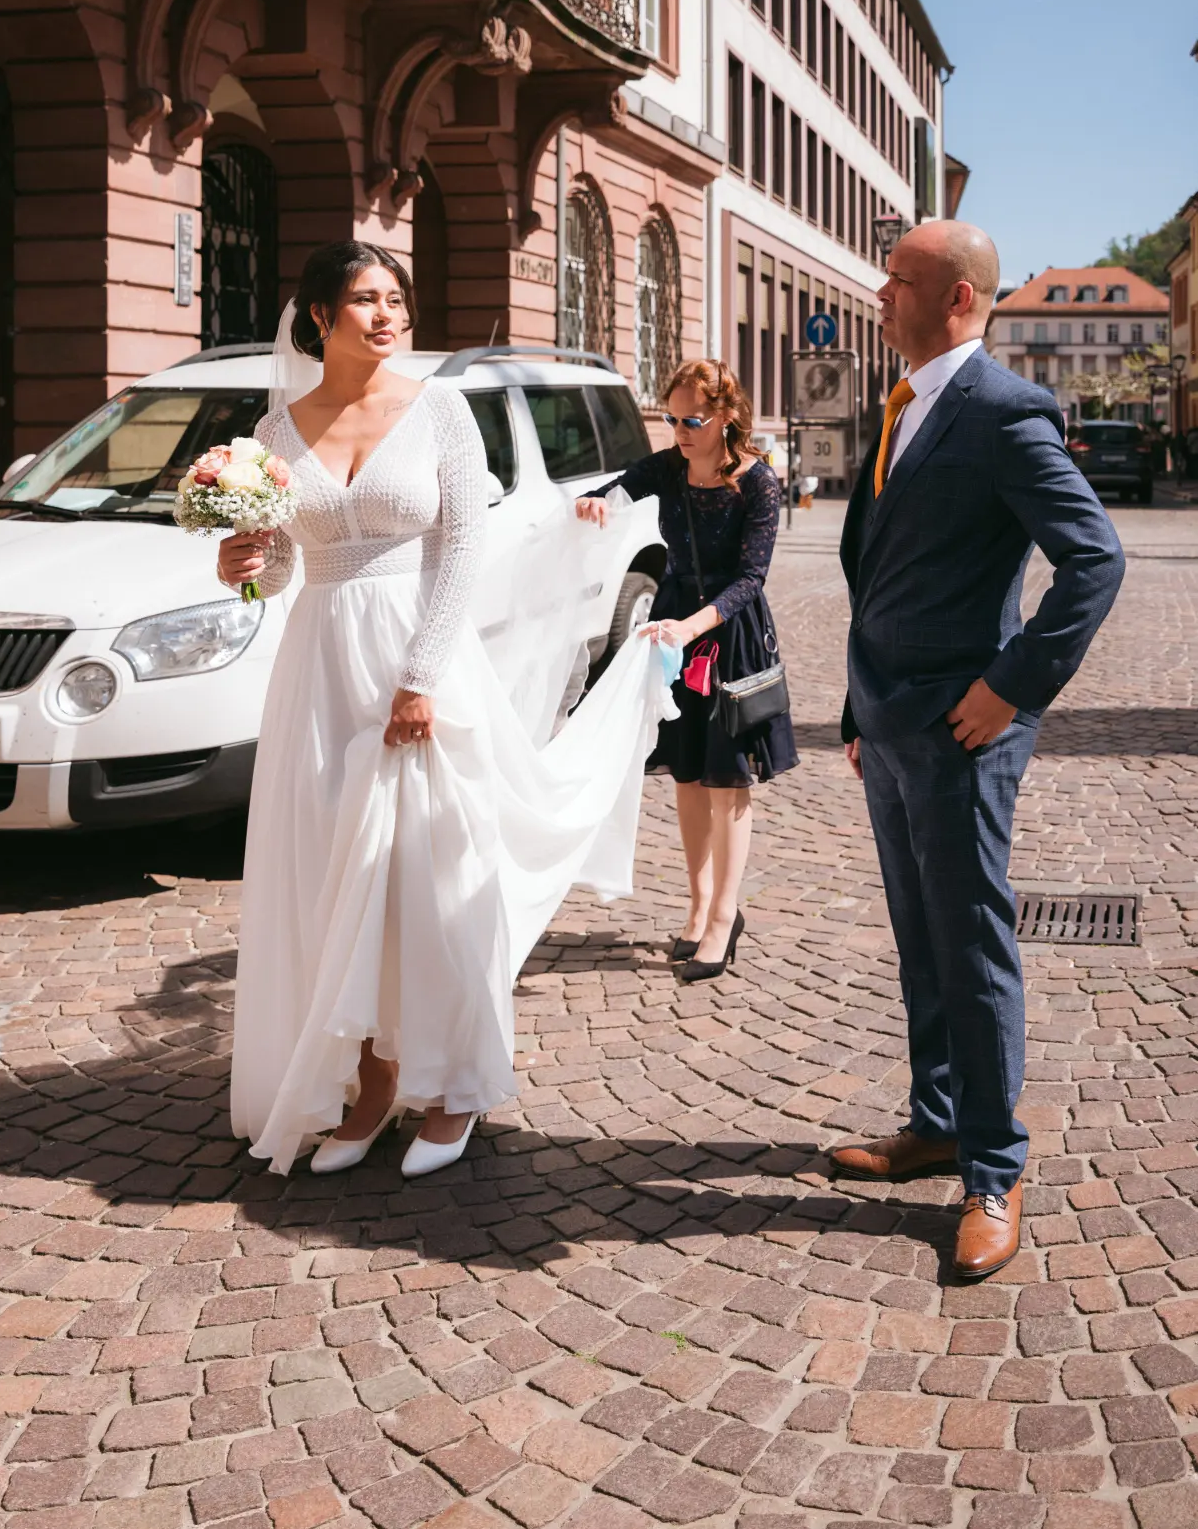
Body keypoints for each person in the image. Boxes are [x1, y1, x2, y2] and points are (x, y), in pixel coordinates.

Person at [218, 243, 673, 1179]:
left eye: (396, 298)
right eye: (364, 299)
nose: (387, 315)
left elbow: (462, 547)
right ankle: (370, 1084)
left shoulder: (439, 412)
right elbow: (281, 566)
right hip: (320, 668)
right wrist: (241, 566)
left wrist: (421, 677)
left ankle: (455, 1086)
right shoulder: (273, 432)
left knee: (429, 878)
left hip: (419, 658)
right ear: (318, 317)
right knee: (332, 875)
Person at [830, 221, 1124, 1280]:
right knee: (919, 936)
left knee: (970, 942)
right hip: (889, 722)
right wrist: (857, 712)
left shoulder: (1003, 410)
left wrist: (1011, 687)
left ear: (956, 297)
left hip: (962, 730)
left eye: (898, 278)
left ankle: (992, 1172)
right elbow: (881, 571)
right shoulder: (903, 402)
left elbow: (1094, 561)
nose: (879, 291)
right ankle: (938, 1121)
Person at [577, 360, 797, 981]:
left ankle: (725, 915)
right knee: (687, 774)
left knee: (727, 780)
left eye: (692, 421)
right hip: (675, 628)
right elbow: (617, 487)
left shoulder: (759, 483)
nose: (679, 431)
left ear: (725, 416)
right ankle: (698, 907)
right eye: (672, 419)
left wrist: (691, 627)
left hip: (728, 633)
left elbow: (751, 579)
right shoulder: (670, 466)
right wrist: (594, 503)